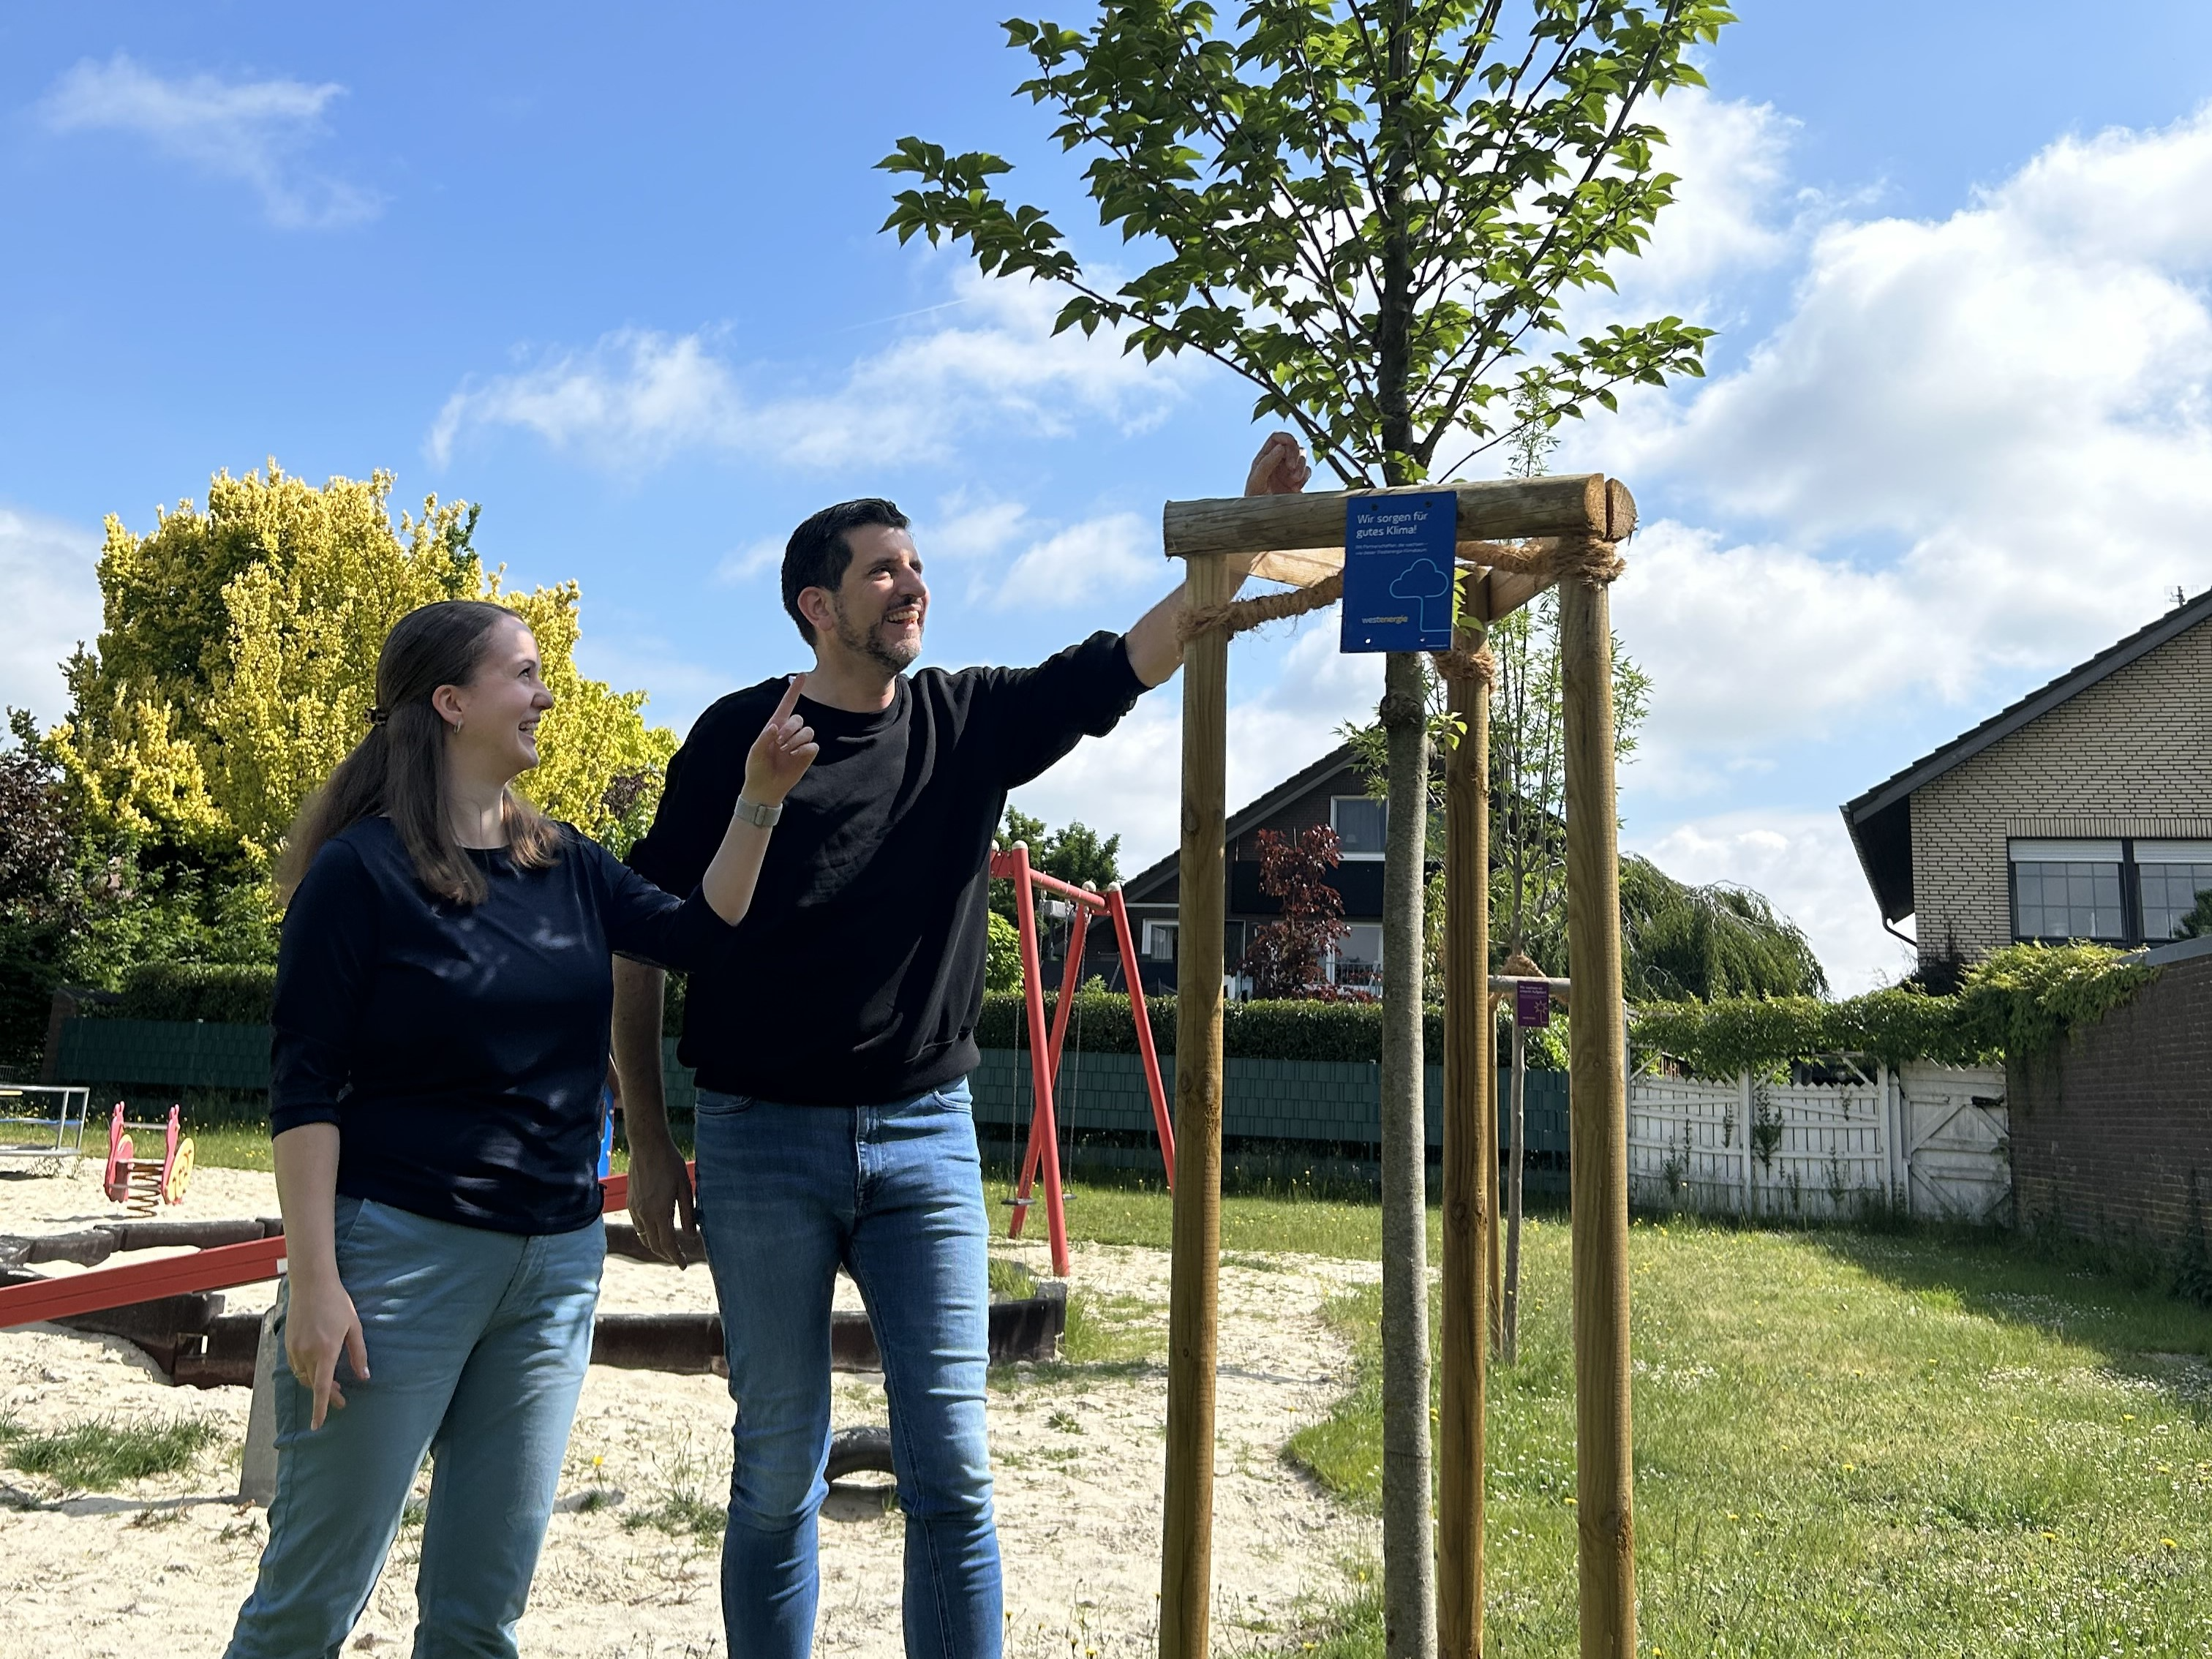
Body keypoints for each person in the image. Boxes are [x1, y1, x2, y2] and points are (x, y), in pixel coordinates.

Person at [612, 432, 1312, 1659]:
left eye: (919, 565)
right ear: (816, 605)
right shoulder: (736, 737)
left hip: (925, 1140)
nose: (913, 585)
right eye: (884, 570)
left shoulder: (967, 719)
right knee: (776, 1466)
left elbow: (1127, 662)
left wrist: (1241, 546)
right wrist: (653, 1142)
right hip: (759, 1138)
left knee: (953, 1473)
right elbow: (641, 941)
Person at [224, 598, 819, 1659]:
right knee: (310, 1605)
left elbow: (697, 935)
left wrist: (759, 802)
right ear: (452, 703)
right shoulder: (358, 873)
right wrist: (314, 1284)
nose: (546, 696)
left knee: (481, 1617)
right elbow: (304, 1088)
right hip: (397, 1264)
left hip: (554, 1271)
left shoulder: (567, 862)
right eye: (526, 674)